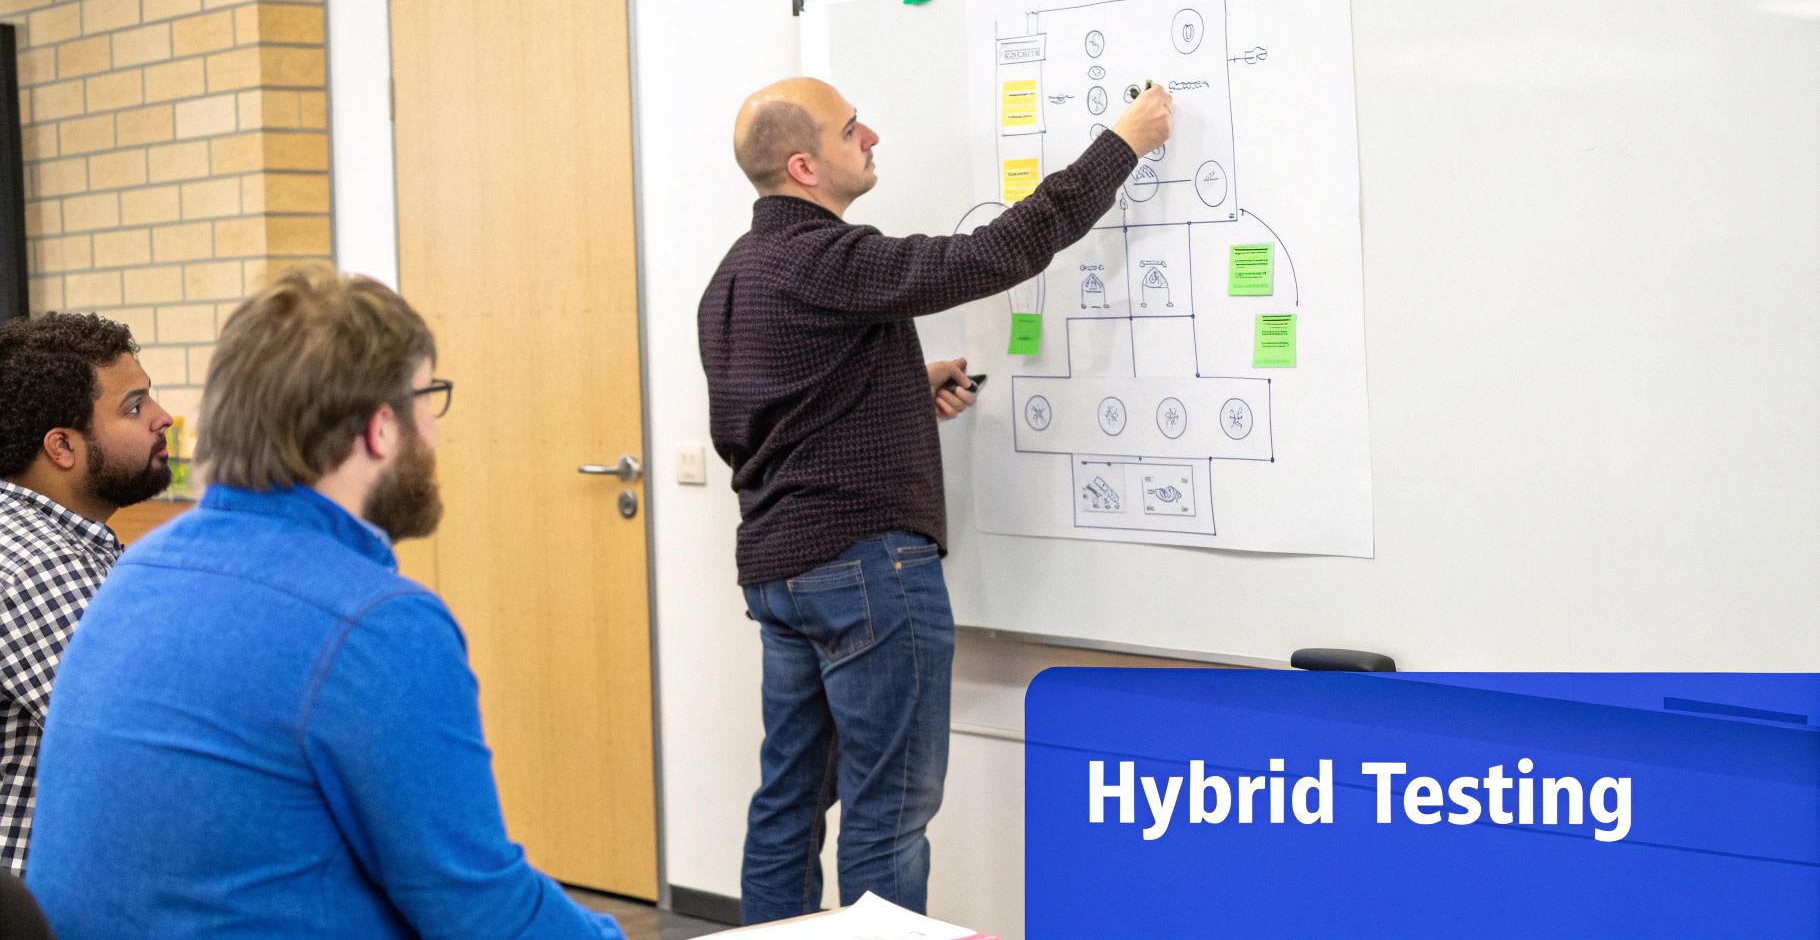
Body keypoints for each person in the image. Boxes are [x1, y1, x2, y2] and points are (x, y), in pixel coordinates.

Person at [26, 269, 624, 940]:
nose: (434, 426)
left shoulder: (139, 570)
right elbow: (482, 914)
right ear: (379, 429)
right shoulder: (375, 622)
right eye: (426, 398)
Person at [699, 76, 1171, 921]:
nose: (872, 135)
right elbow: (990, 255)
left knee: (788, 806)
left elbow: (768, 420)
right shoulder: (825, 257)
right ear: (805, 166)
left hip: (783, 573)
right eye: (852, 130)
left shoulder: (734, 279)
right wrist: (1122, 146)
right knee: (889, 816)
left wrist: (901, 387)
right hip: (864, 569)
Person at [0, 313, 171, 876]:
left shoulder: (50, 538)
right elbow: (155, 745)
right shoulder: (39, 564)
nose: (162, 418)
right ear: (62, 447)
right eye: (134, 406)